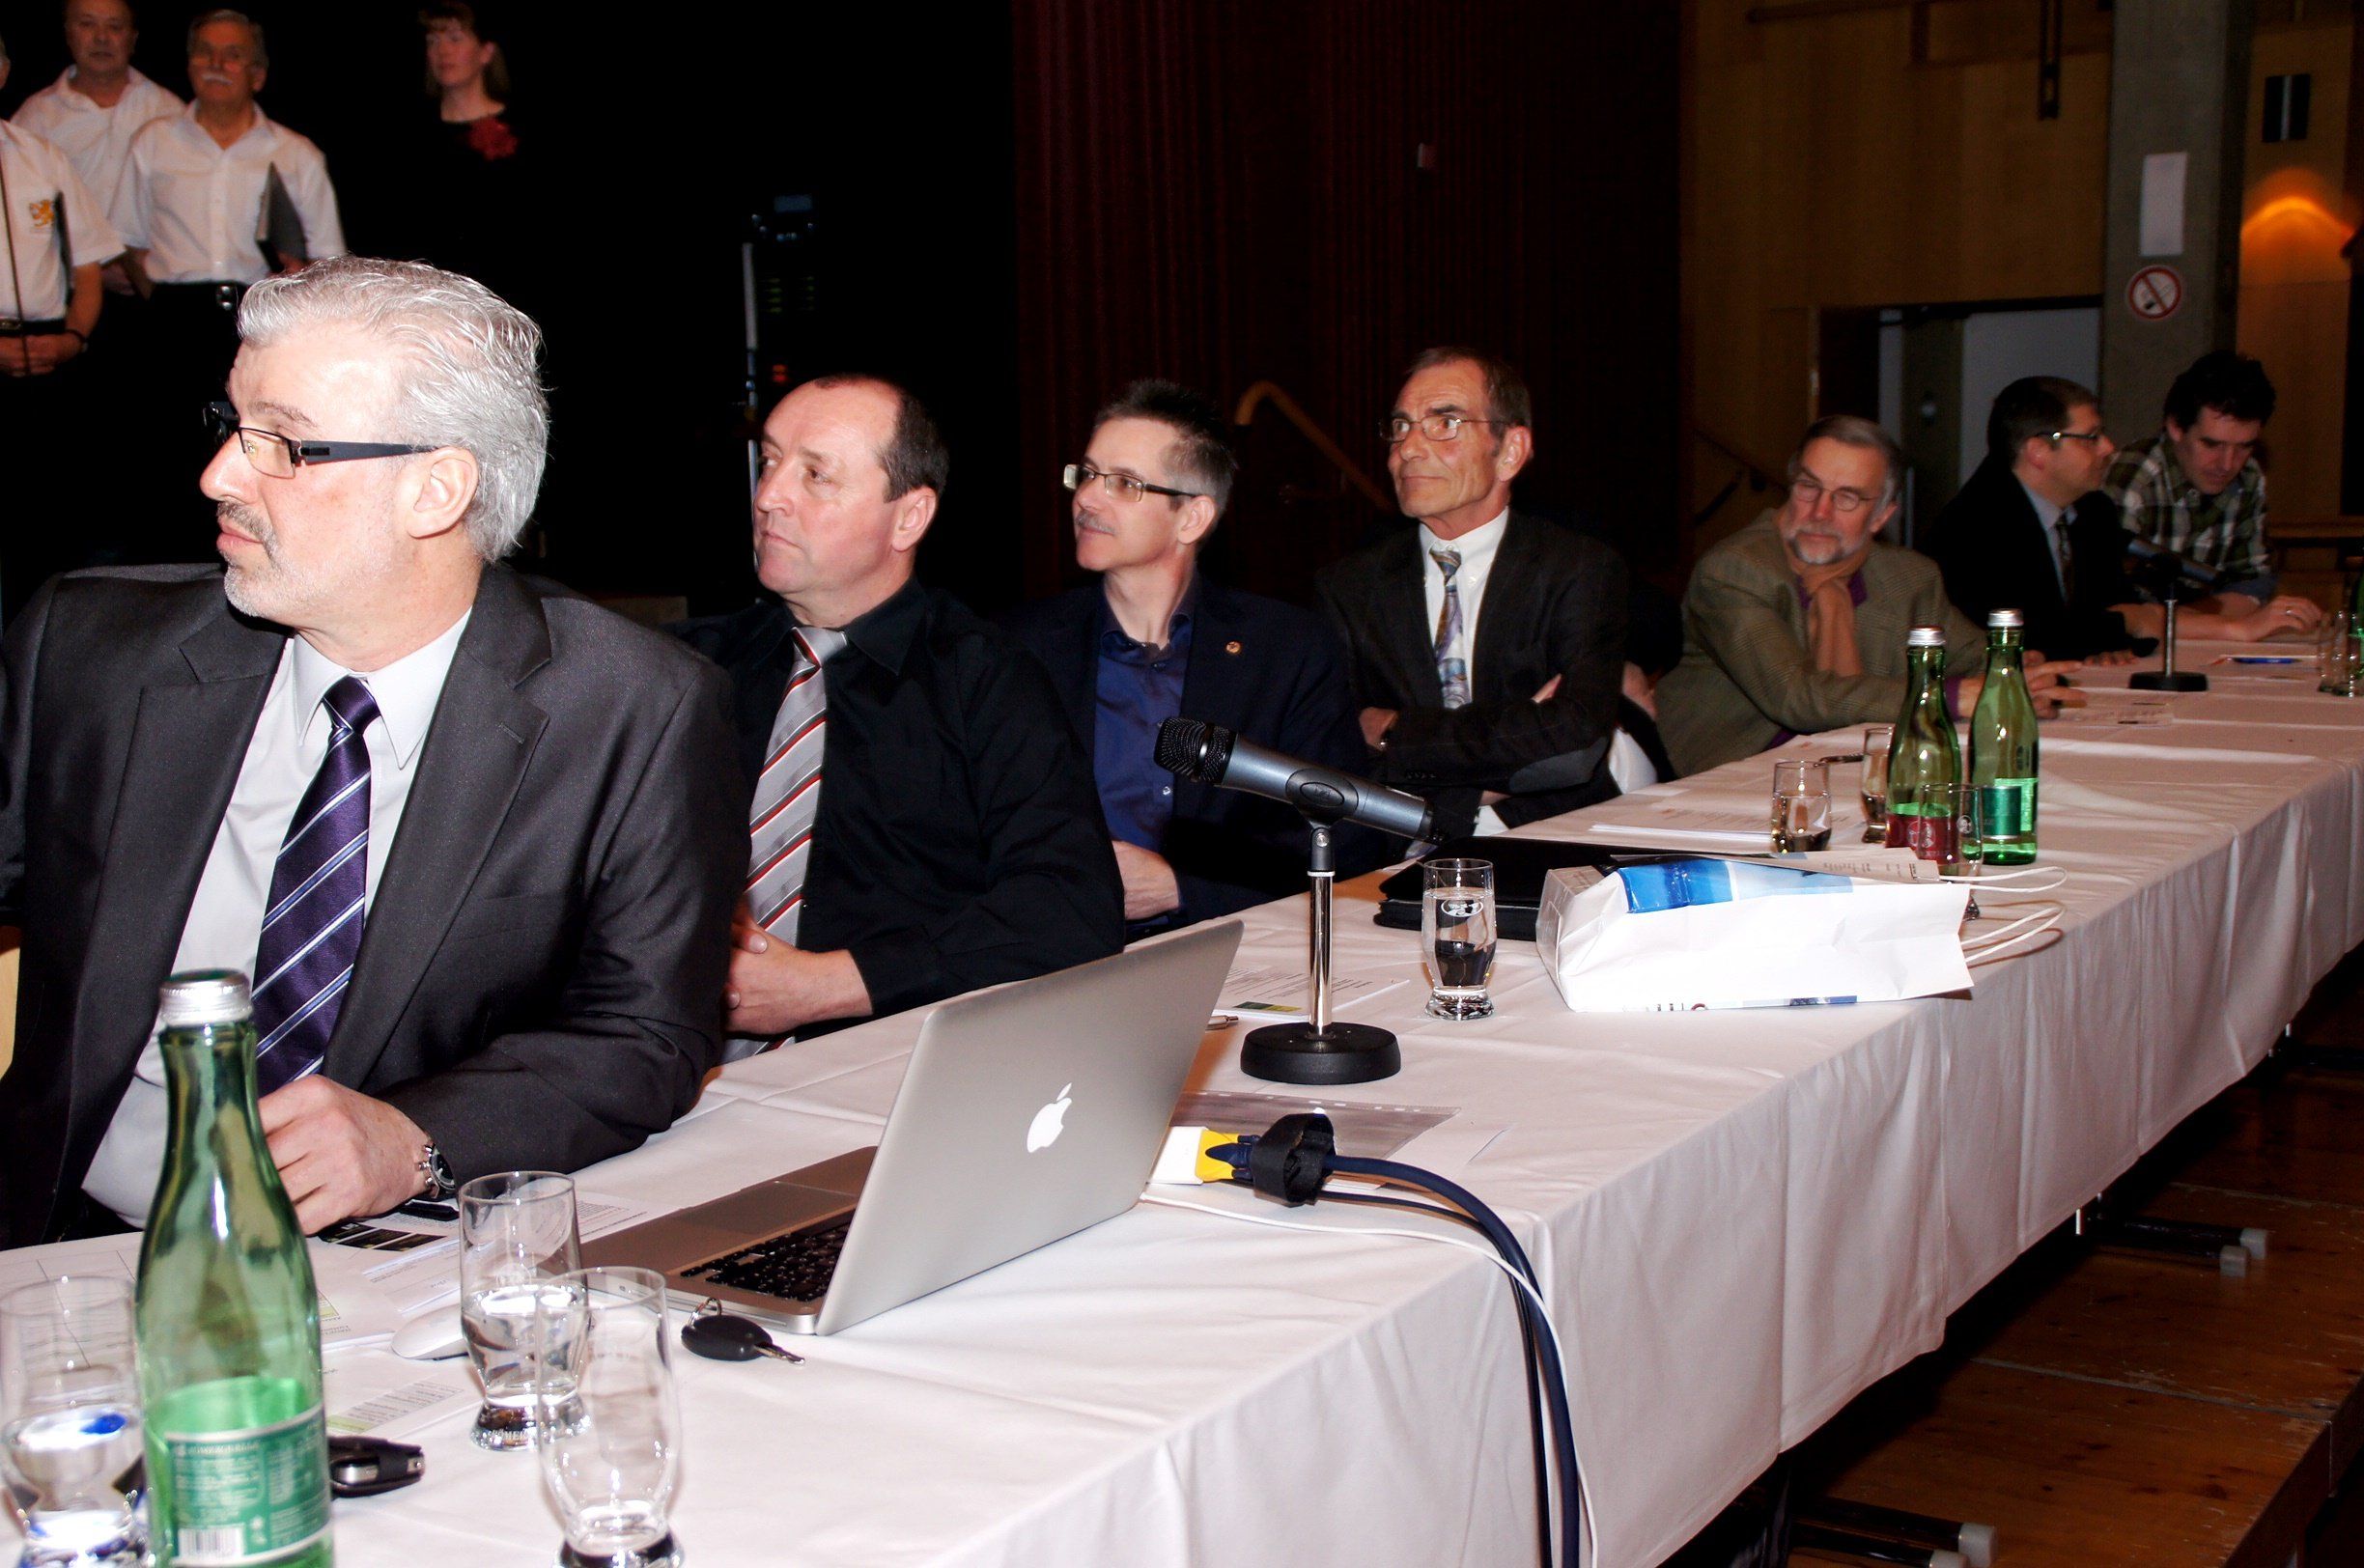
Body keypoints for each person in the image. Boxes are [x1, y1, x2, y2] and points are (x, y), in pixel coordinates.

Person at [0, 256, 746, 1246]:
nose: (219, 475)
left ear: (435, 491)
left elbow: (643, 1034)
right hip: (77, 1242)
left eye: (282, 443)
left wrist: (414, 1139)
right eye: (231, 424)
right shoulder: (90, 650)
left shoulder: (632, 709)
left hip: (389, 1259)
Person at [674, 374, 1123, 1051]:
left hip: (880, 1069)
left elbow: (1068, 908)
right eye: (769, 463)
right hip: (671, 1067)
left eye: (816, 476)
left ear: (909, 517)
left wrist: (830, 985)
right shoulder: (686, 669)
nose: (768, 497)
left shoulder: (986, 679)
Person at [1003, 379, 1373, 933]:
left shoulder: (1285, 650)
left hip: (1234, 946)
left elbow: (1346, 836)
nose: (1087, 498)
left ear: (1192, 518)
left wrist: (1180, 890)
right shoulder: (1018, 647)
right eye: (1087, 474)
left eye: (1124, 483)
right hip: (1058, 949)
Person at [1657, 415, 2084, 778]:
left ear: (1882, 515)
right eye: (1808, 487)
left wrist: (2015, 670)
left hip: (1864, 771)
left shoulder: (1908, 577)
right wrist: (1951, 697)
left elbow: (1971, 658)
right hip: (1735, 776)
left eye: (1846, 497)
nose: (1819, 512)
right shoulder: (1735, 570)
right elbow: (1798, 697)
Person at [1315, 347, 1628, 834]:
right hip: (1397, 844)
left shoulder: (1576, 569)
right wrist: (1511, 746)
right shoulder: (1350, 586)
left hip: (1555, 831)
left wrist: (1395, 730)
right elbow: (1333, 756)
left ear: (1510, 451)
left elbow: (1572, 746)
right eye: (1400, 426)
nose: (1408, 448)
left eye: (1444, 423)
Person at [111, 9, 346, 560]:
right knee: (163, 462)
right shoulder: (152, 142)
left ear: (258, 73)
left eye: (233, 54)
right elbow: (129, 241)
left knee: (254, 458)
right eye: (205, 52)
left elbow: (331, 259)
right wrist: (162, 301)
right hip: (172, 317)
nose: (216, 64)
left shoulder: (295, 152)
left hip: (260, 321)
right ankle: (166, 584)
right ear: (189, 64)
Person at [0, 31, 124, 615]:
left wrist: (74, 339)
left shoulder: (40, 155)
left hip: (47, 354)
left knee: (46, 523)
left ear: (3, 71)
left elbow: (88, 265)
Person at [2103, 350, 2323, 642]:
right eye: (2211, 444)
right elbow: (2113, 611)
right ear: (2175, 427)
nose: (2227, 464)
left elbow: (2252, 583)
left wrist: (2182, 620)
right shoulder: (2134, 477)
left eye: (2244, 446)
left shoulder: (2249, 476)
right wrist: (2224, 623)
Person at [1924, 377, 2145, 662]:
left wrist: (2116, 639)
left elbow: (2117, 606)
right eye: (2091, 437)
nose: (2108, 447)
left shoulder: (2093, 510)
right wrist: (2124, 624)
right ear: (2038, 451)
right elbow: (2019, 637)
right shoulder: (1973, 527)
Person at [11, 0, 183, 244]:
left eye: (115, 27)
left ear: (133, 39)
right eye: (87, 24)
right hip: (65, 264)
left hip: (149, 263)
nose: (101, 37)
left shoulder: (168, 111)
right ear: (68, 34)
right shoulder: (36, 117)